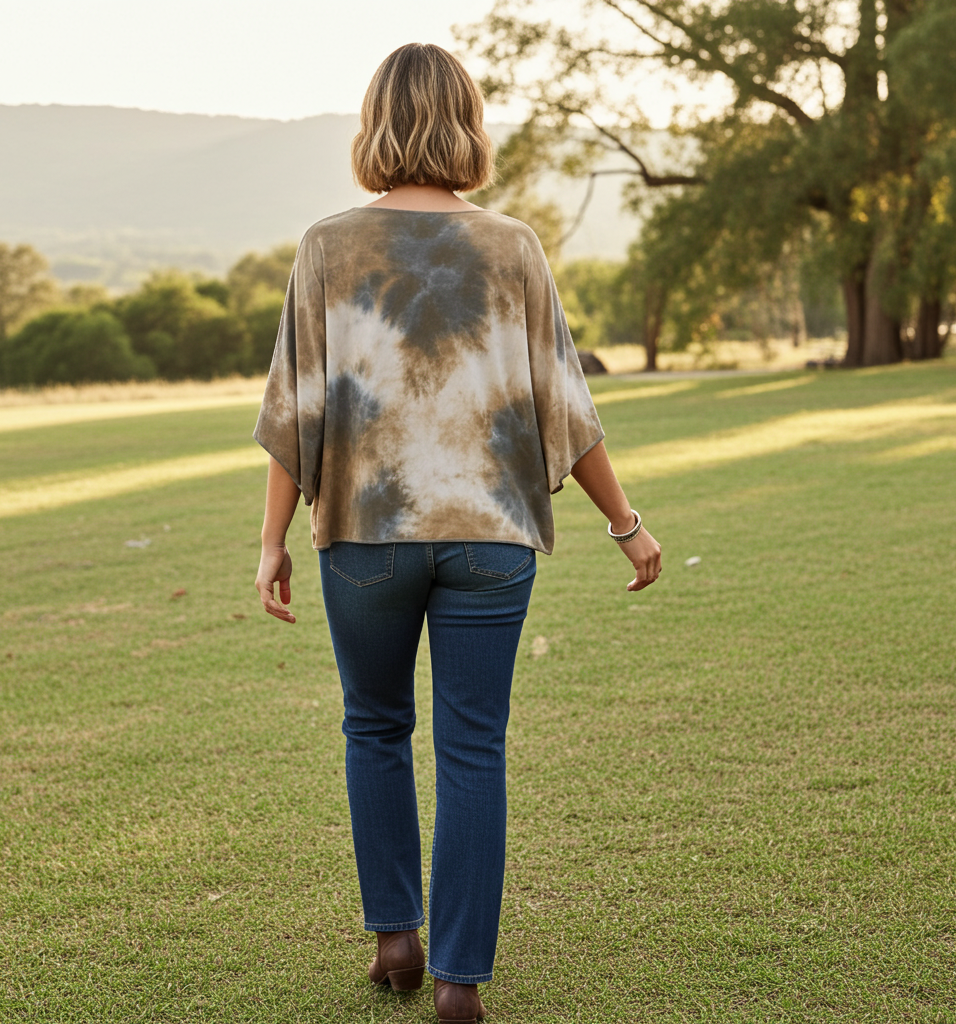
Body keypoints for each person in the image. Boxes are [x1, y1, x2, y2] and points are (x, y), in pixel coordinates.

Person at [253, 42, 662, 1024]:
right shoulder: (512, 246)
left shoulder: (326, 246)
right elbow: (562, 405)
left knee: (374, 725)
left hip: (366, 534)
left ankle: (395, 936)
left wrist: (270, 541)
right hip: (490, 538)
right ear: (467, 124)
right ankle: (457, 981)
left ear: (374, 124)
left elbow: (296, 411)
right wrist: (625, 522)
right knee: (473, 748)